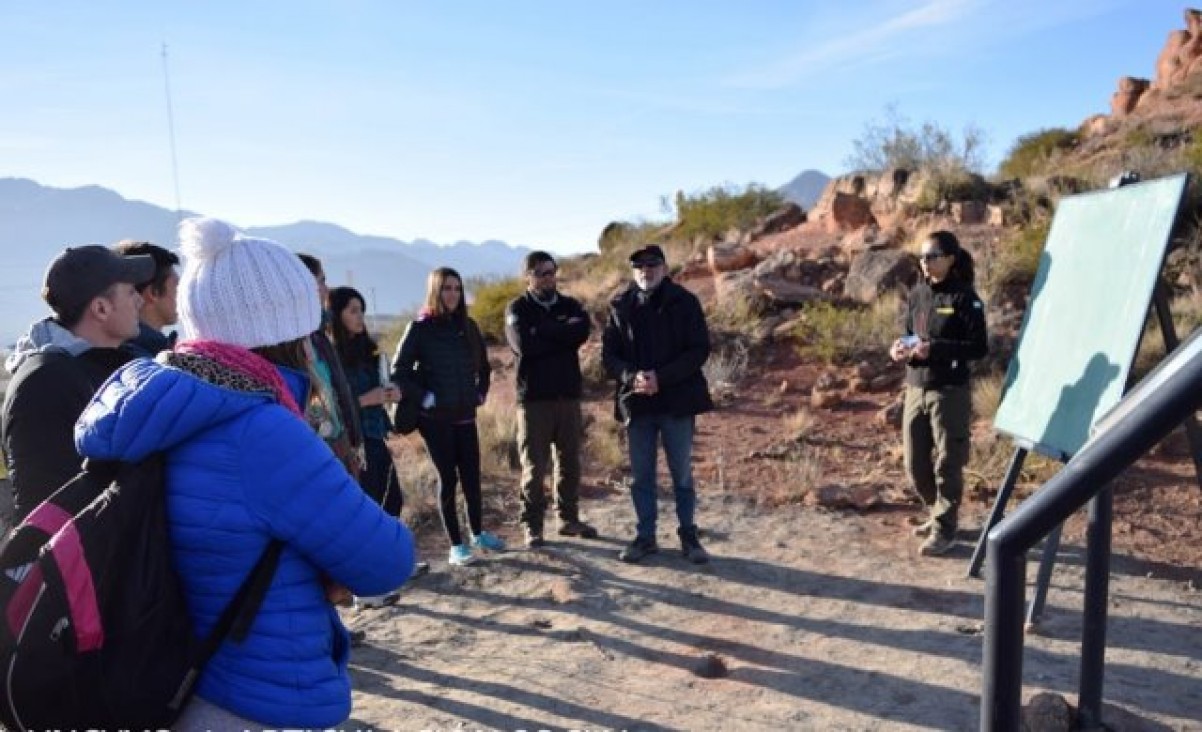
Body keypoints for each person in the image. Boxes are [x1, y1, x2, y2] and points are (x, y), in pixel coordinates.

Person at [74, 217, 415, 730]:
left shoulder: (169, 404)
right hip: (261, 696)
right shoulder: (262, 430)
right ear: (288, 331)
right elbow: (385, 560)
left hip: (185, 682)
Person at [2, 245, 153, 523]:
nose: (140, 302)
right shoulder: (45, 382)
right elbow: (50, 506)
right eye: (131, 292)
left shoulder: (116, 361)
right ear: (101, 308)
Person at [602, 245, 713, 564]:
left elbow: (698, 350)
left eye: (652, 264)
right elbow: (609, 356)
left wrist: (660, 378)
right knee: (641, 475)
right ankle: (645, 536)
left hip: (677, 400)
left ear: (664, 268)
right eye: (638, 266)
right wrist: (631, 376)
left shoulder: (685, 302)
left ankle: (689, 535)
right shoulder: (620, 305)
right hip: (638, 404)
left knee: (681, 473)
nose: (645, 271)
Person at [390, 267, 505, 566]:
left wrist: (480, 394)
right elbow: (398, 373)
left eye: (456, 288)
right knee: (448, 479)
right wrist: (425, 397)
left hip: (465, 415)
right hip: (435, 420)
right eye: (446, 288)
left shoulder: (468, 326)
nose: (452, 294)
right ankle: (456, 546)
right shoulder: (419, 329)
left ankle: (478, 534)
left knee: (471, 477)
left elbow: (484, 369)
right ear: (435, 291)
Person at [889, 230, 988, 557]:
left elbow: (979, 347)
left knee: (949, 463)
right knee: (915, 465)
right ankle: (937, 512)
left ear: (950, 258)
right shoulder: (917, 293)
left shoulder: (965, 298)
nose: (925, 262)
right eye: (922, 256)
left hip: (949, 391)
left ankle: (945, 528)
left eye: (932, 256)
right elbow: (909, 334)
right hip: (915, 388)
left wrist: (936, 349)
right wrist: (900, 348)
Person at [327, 286, 430, 584]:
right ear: (337, 315)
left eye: (362, 311)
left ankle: (393, 562)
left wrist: (391, 393)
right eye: (352, 311)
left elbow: (382, 386)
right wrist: (364, 400)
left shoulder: (367, 349)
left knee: (391, 500)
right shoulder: (330, 358)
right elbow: (330, 405)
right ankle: (370, 572)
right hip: (351, 441)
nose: (360, 318)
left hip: (375, 433)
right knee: (366, 506)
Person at [504, 251, 597, 548]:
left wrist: (544, 331)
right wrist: (560, 332)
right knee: (534, 466)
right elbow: (524, 345)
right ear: (528, 276)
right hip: (534, 400)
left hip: (567, 396)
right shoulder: (517, 307)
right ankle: (532, 525)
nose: (548, 278)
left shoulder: (570, 305)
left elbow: (581, 331)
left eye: (552, 271)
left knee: (569, 461)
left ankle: (568, 518)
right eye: (542, 273)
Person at [297, 253, 365, 478]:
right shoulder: (288, 344)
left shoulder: (318, 337)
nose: (326, 289)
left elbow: (338, 392)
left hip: (342, 443)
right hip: (317, 453)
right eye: (321, 281)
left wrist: (354, 440)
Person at [114, 240, 181, 357]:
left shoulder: (112, 347)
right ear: (153, 293)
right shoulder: (145, 358)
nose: (182, 295)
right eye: (177, 286)